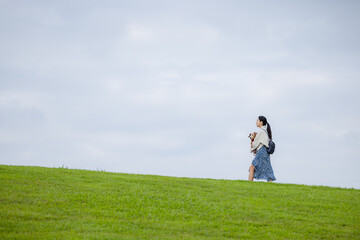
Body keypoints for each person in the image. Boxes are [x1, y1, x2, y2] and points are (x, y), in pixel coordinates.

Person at [248, 116, 276, 182]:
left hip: (261, 151)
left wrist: (252, 139)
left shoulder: (261, 132)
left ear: (261, 122)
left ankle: (248, 184)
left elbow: (254, 144)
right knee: (268, 171)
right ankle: (271, 187)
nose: (256, 122)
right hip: (265, 152)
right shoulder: (265, 131)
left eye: (257, 120)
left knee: (252, 168)